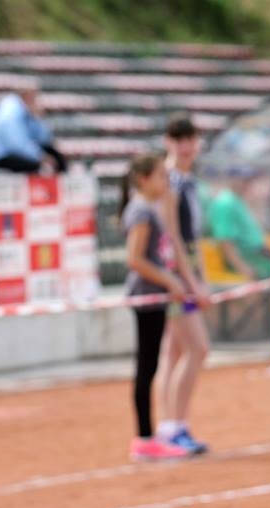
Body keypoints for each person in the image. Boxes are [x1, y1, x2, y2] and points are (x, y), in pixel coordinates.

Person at [119, 152, 202, 461]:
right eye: (159, 176)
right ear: (144, 179)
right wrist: (170, 280)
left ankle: (148, 436)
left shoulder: (146, 208)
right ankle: (144, 437)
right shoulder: (141, 210)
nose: (165, 182)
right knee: (146, 367)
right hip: (147, 295)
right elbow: (135, 259)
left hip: (153, 294)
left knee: (150, 365)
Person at [155, 112, 212, 454]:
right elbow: (173, 237)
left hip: (179, 270)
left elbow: (191, 238)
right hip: (174, 274)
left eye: (190, 139)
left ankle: (168, 426)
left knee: (174, 351)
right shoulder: (170, 181)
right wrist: (192, 282)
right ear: (168, 142)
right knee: (196, 348)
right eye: (179, 139)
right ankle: (174, 427)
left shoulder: (185, 180)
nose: (186, 146)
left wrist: (200, 277)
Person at [0, 79, 67, 174]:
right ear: (27, 95)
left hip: (13, 152)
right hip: (1, 156)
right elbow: (17, 144)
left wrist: (38, 118)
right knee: (41, 166)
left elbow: (44, 140)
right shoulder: (11, 112)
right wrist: (41, 157)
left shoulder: (25, 110)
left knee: (55, 155)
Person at [205, 167, 270, 280]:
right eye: (243, 179)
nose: (246, 183)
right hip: (247, 259)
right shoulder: (225, 202)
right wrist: (244, 268)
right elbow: (225, 241)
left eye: (248, 180)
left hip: (257, 255)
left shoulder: (237, 199)